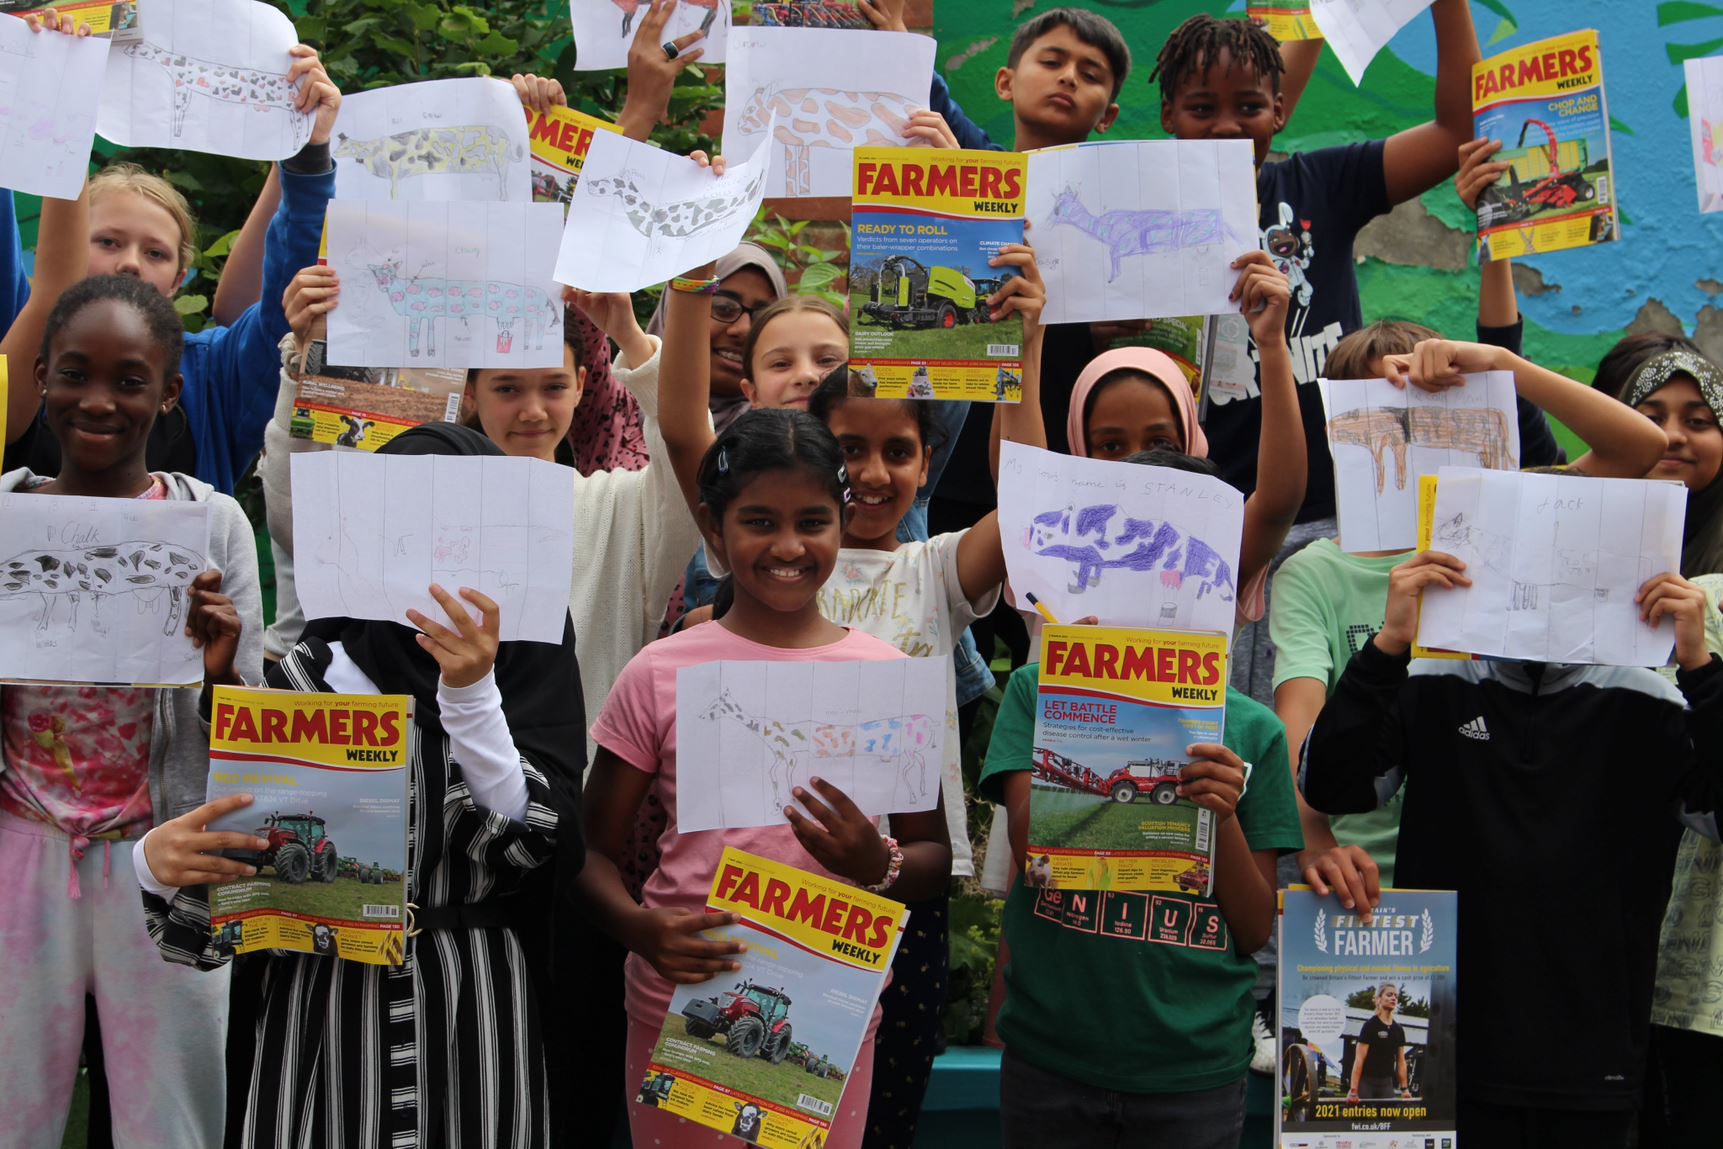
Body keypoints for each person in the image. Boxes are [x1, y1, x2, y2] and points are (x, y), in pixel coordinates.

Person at [136, 422, 584, 1147]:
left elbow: (541, 849)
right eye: (412, 530)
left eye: (464, 535)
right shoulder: (315, 674)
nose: (438, 563)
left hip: (472, 1007)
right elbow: (241, 869)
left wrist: (471, 696)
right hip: (322, 1011)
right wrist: (154, 861)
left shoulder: (530, 663)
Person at [1301, 456, 1723, 1145]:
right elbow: (1331, 787)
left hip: (1593, 1064)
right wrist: (1387, 645)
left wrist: (1700, 668)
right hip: (1441, 1052)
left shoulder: (1656, 700)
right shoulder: (1431, 679)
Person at [577, 408, 953, 1149]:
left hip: (827, 1015)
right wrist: (639, 928)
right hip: (680, 1004)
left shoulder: (889, 680)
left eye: (812, 520)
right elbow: (590, 853)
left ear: (841, 525)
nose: (788, 545)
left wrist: (878, 864)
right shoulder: (660, 672)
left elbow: (934, 861)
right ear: (714, 532)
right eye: (758, 521)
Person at [0, 275, 262, 1147]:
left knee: (171, 1115)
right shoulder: (4, 517)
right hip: (20, 843)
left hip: (165, 850)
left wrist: (220, 670)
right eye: (75, 374)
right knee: (10, 1100)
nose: (98, 401)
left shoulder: (214, 523)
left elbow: (256, 742)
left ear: (170, 391)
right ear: (39, 377)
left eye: (129, 380)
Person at [977, 453, 1303, 1147]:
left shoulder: (1253, 729)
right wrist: (1081, 699)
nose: (1159, 579)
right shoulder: (1036, 692)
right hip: (1052, 1057)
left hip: (1191, 1068)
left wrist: (1220, 817)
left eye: (1181, 557)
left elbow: (1251, 928)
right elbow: (1037, 855)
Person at [0, 10, 340, 496]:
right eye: (107, 242)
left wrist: (308, 155)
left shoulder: (213, 377)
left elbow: (289, 303)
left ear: (179, 279)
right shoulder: (17, 333)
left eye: (155, 253)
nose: (130, 262)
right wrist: (31, 71)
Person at [1348, 983, 1413, 1103]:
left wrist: (1405, 1089)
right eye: (1389, 995)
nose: (1393, 998)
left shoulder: (1398, 1030)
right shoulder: (1370, 1026)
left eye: (1395, 996)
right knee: (1361, 1118)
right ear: (1378, 999)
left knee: (1389, 1118)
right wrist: (1353, 1090)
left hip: (1386, 1083)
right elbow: (1359, 1060)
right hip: (1366, 1082)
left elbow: (1401, 1061)